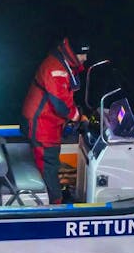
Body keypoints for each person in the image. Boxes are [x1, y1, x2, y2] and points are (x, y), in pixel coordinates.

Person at [21, 36, 91, 204]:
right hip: (42, 126)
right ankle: (54, 207)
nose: (85, 59)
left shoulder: (62, 62)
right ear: (73, 53)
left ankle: (54, 199)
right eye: (82, 55)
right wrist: (77, 117)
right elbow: (61, 104)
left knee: (48, 165)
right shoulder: (56, 69)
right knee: (49, 167)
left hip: (45, 123)